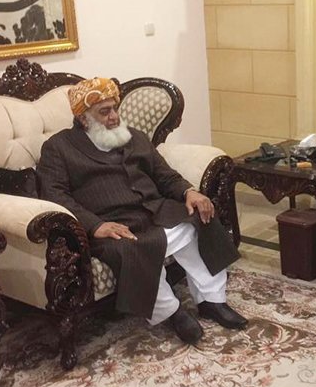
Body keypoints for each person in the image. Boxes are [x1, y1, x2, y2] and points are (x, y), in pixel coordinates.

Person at [37, 77, 247, 345]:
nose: (114, 117)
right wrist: (95, 225)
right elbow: (54, 195)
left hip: (153, 209)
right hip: (112, 224)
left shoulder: (133, 137)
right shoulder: (59, 148)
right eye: (104, 112)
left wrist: (189, 192)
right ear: (83, 118)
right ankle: (171, 311)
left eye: (115, 108)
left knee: (200, 216)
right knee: (135, 249)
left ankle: (211, 300)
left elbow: (164, 175)